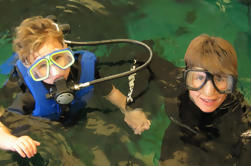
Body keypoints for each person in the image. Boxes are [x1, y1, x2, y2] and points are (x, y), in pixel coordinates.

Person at [0, 16, 150, 158]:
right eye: (42, 65)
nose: (56, 71)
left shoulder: (85, 67)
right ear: (29, 67)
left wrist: (129, 110)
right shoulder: (27, 91)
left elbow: (109, 91)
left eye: (58, 57)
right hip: (46, 131)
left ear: (66, 47)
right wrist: (13, 142)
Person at [157, 34, 251, 166]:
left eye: (219, 79)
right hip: (179, 139)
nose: (209, 92)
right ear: (186, 76)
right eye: (200, 78)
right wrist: (132, 107)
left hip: (218, 150)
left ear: (231, 83)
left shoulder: (241, 114)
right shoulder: (175, 83)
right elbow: (141, 57)